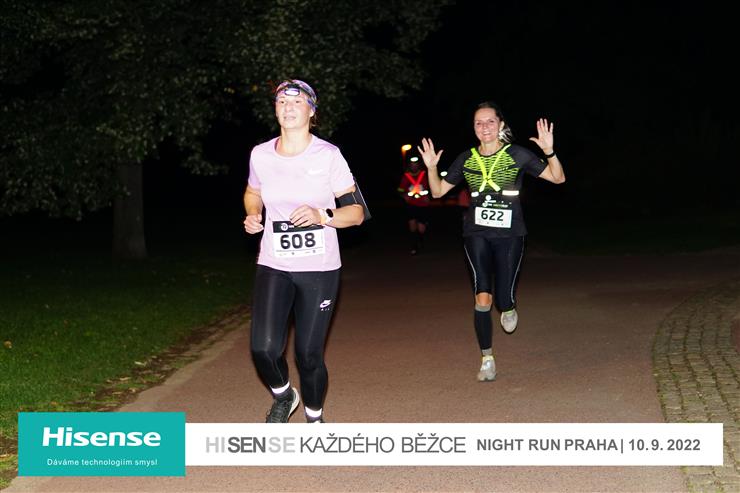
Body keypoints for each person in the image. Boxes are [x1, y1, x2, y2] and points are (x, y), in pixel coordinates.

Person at [243, 79, 366, 423]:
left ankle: (314, 417)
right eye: (282, 101)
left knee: (308, 355)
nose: (289, 107)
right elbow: (253, 192)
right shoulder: (261, 155)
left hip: (319, 269)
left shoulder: (328, 156)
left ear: (312, 111)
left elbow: (356, 213)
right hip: (274, 262)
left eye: (297, 102)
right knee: (263, 348)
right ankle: (285, 395)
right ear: (275, 110)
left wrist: (321, 215)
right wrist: (253, 213)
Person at [418, 101, 565, 382]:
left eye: (490, 121)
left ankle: (508, 306)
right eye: (479, 122)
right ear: (473, 128)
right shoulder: (466, 159)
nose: (484, 127)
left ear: (501, 125)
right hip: (476, 233)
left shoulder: (517, 154)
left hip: (510, 234)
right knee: (482, 296)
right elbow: (437, 192)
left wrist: (549, 151)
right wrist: (432, 168)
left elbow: (558, 178)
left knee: (502, 299)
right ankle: (487, 359)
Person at [397, 156, 431, 254]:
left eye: (416, 165)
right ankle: (414, 246)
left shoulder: (425, 175)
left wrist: (428, 196)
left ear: (419, 165)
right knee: (412, 225)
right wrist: (404, 195)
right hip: (411, 204)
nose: (414, 166)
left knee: (421, 228)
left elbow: (431, 187)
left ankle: (421, 240)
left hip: (423, 205)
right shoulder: (406, 176)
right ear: (409, 166)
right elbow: (400, 190)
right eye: (412, 165)